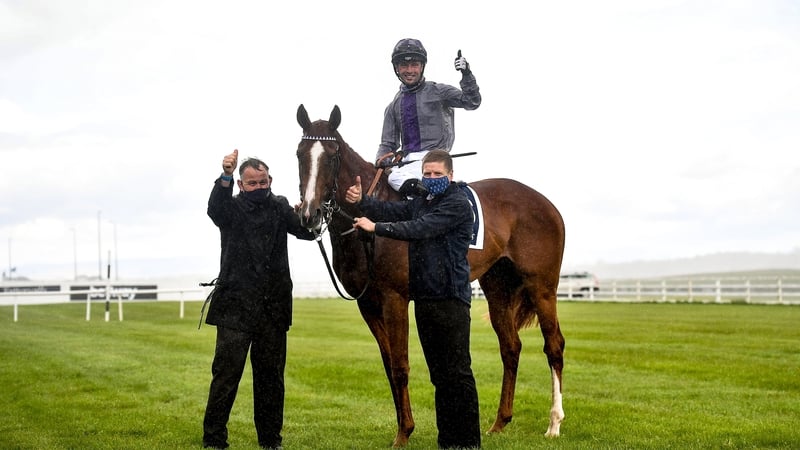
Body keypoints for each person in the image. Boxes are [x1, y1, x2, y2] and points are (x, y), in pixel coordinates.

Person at [345, 149, 481, 449]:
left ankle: (468, 441)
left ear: (450, 176)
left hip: (451, 299)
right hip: (425, 299)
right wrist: (362, 202)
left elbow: (420, 228)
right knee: (439, 375)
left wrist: (376, 227)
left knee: (457, 372)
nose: (431, 179)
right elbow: (395, 212)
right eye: (427, 174)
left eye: (437, 174)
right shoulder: (423, 201)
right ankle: (449, 441)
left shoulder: (457, 203)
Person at [202, 149, 315, 450]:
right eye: (252, 184)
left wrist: (308, 213)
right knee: (226, 378)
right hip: (235, 309)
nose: (258, 188)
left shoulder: (279, 206)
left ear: (270, 181)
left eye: (263, 182)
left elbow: (306, 232)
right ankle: (214, 440)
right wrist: (225, 174)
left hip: (273, 309)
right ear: (240, 185)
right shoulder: (231, 209)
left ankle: (270, 441)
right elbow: (215, 208)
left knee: (270, 381)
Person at [376, 38, 482, 197]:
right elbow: (387, 145)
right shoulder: (392, 107)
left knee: (394, 178)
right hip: (407, 164)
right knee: (386, 181)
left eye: (414, 65)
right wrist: (379, 162)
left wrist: (466, 74)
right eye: (404, 65)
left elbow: (472, 102)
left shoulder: (439, 91)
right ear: (396, 68)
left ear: (422, 66)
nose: (409, 70)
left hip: (436, 160)